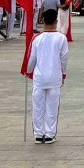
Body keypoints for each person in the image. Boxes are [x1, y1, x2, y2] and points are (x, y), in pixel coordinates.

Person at [27, 9, 69, 144]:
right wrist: (63, 73)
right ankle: (50, 134)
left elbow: (32, 58)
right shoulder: (62, 38)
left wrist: (28, 71)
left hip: (39, 77)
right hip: (55, 76)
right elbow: (64, 58)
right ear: (56, 21)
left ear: (43, 21)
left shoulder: (37, 38)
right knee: (52, 106)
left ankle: (39, 134)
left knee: (38, 106)